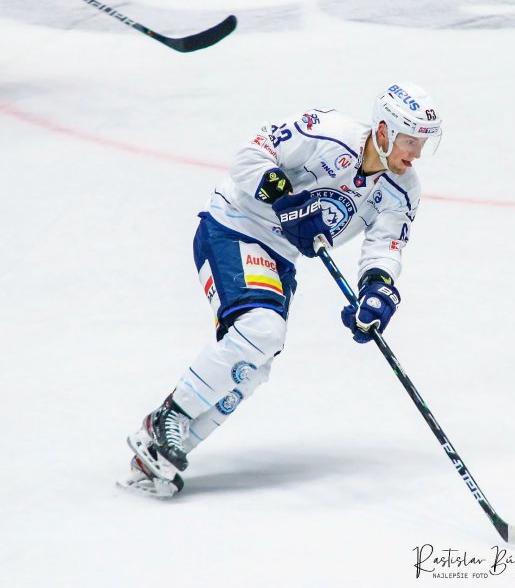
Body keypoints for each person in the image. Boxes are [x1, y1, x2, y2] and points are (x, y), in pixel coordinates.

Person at [118, 83, 443, 498]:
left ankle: (161, 453)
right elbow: (249, 155)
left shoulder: (403, 189)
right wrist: (284, 198)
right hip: (233, 226)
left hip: (279, 257)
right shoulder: (327, 131)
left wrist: (378, 291)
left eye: (423, 143)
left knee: (256, 364)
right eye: (410, 141)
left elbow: (385, 247)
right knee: (261, 331)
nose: (416, 153)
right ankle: (168, 418)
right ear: (383, 130)